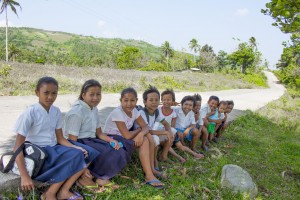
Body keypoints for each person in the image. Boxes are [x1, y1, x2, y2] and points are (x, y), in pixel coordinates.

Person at [12, 77, 99, 200]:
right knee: (76, 155)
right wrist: (24, 176)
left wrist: (76, 146)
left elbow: (60, 138)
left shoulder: (56, 111)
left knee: (89, 152)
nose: (50, 97)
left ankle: (64, 190)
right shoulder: (30, 113)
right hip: (39, 152)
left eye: (54, 93)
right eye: (46, 93)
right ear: (37, 92)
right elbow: (17, 146)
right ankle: (50, 193)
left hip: (54, 148)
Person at [64, 79, 126, 190]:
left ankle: (101, 178)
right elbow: (72, 140)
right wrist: (83, 165)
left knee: (117, 149)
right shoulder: (77, 112)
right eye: (91, 94)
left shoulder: (94, 109)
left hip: (91, 139)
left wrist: (111, 140)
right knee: (103, 152)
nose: (96, 98)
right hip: (79, 142)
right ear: (83, 95)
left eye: (98, 94)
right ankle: (84, 176)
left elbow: (99, 133)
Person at [103, 87, 164, 188]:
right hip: (113, 138)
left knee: (146, 137)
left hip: (124, 137)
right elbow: (127, 135)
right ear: (121, 101)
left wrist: (140, 133)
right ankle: (149, 174)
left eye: (132, 100)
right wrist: (139, 131)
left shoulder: (134, 111)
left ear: (136, 100)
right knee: (145, 138)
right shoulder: (117, 112)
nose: (129, 103)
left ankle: (151, 171)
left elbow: (146, 127)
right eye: (125, 100)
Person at [159, 90, 204, 162]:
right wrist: (172, 102)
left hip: (174, 130)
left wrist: (188, 129)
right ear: (182, 104)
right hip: (171, 130)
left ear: (193, 107)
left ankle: (193, 151)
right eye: (186, 104)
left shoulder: (191, 113)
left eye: (190, 105)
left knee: (195, 132)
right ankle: (178, 157)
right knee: (172, 142)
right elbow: (166, 105)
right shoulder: (175, 109)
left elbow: (193, 124)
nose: (188, 107)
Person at [138, 86, 174, 169]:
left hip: (151, 132)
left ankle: (163, 156)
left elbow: (166, 124)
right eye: (151, 100)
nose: (154, 102)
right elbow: (147, 131)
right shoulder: (142, 113)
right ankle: (154, 160)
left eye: (156, 100)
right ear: (145, 102)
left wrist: (169, 132)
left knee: (172, 130)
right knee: (155, 138)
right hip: (143, 135)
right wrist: (165, 132)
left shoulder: (156, 111)